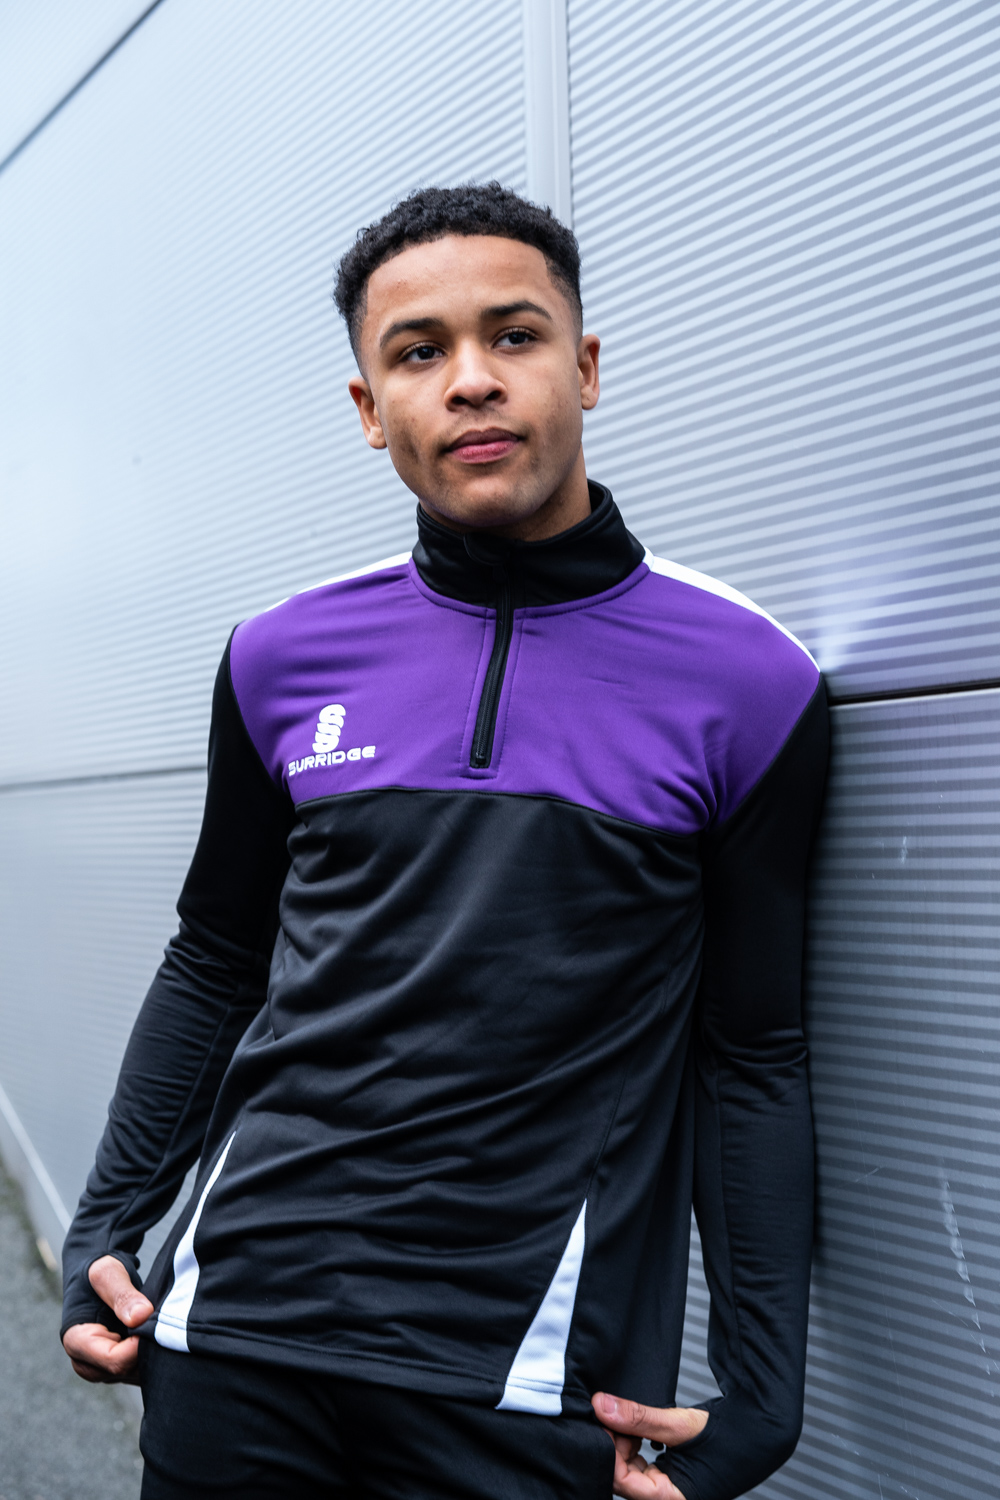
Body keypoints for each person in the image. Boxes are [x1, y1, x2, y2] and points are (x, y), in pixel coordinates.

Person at [60, 183, 828, 1500]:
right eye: (419, 351)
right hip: (230, 1339)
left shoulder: (747, 681)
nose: (471, 379)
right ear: (372, 409)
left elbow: (752, 1055)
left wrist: (763, 1393)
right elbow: (214, 963)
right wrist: (104, 1231)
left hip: (525, 1382)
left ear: (586, 368)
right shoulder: (278, 657)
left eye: (514, 335)